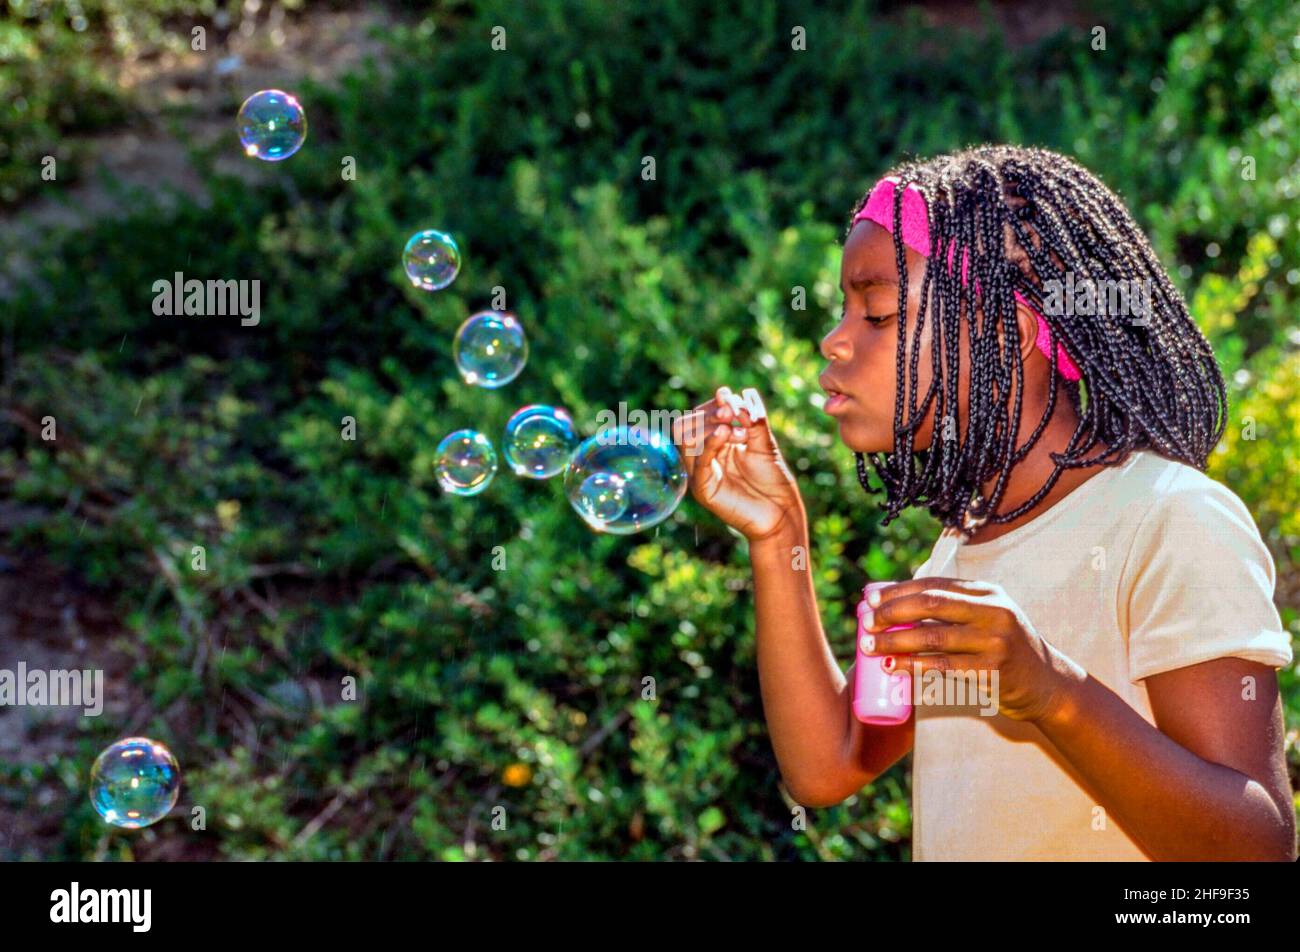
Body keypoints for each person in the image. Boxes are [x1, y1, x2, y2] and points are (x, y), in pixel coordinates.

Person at [672, 144, 1295, 861]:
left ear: (1012, 331)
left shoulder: (1169, 518)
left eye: (876, 313)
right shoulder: (959, 550)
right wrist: (777, 534)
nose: (834, 341)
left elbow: (1259, 849)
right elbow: (828, 764)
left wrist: (1052, 691)